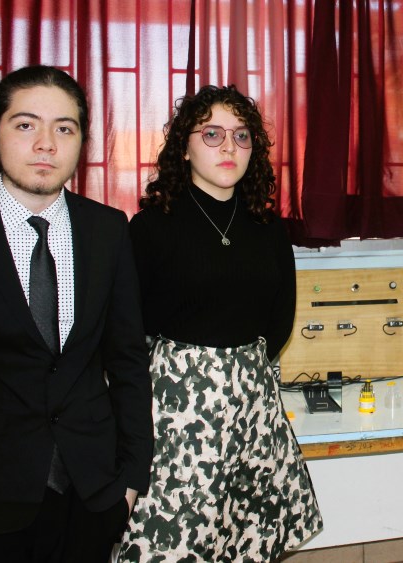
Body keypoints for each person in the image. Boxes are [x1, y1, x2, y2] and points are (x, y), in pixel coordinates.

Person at [0, 65, 153, 562]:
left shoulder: (107, 229)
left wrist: (131, 478)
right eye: (26, 124)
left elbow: (127, 359)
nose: (46, 144)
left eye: (64, 128)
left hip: (92, 491)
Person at [117, 85, 322, 561]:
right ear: (184, 148)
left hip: (253, 402)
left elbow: (281, 317)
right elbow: (128, 326)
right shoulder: (150, 228)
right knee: (175, 540)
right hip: (176, 411)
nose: (229, 146)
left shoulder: (268, 228)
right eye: (212, 134)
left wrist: (239, 369)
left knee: (245, 535)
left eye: (241, 135)